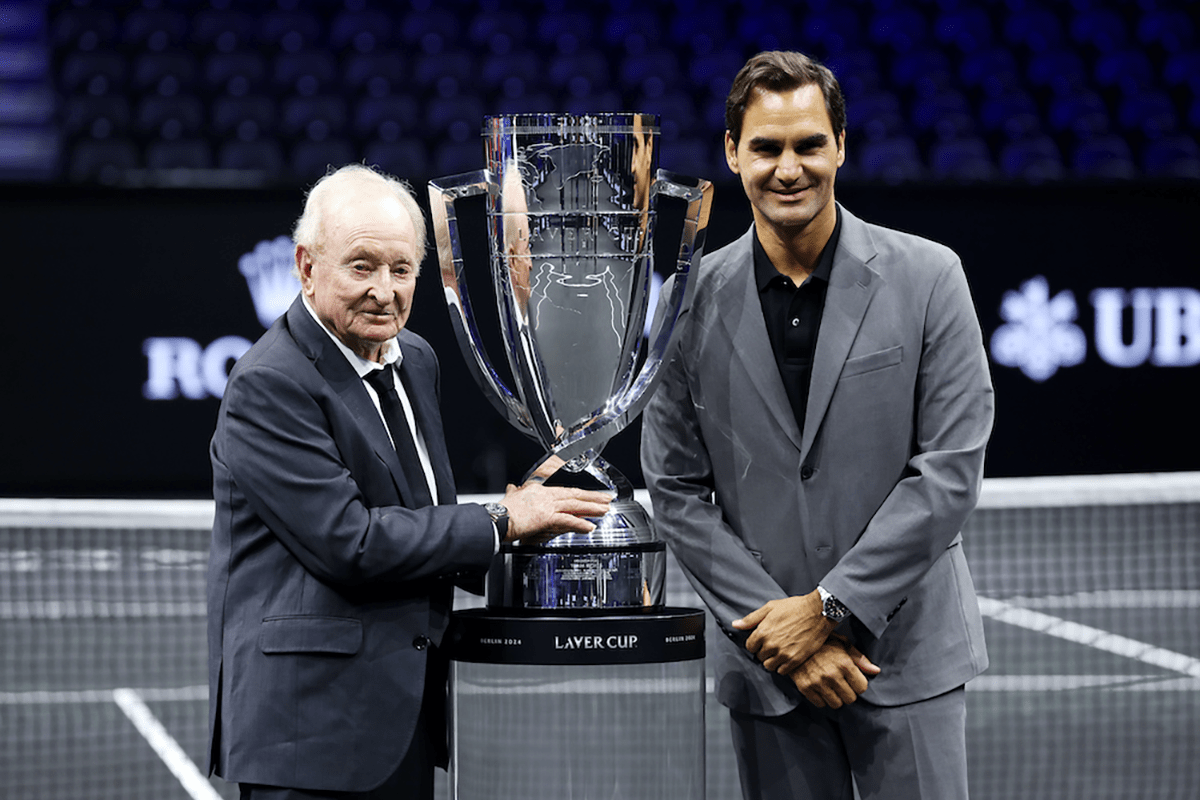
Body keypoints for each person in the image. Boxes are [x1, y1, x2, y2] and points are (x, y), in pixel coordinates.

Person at [640, 51, 994, 800]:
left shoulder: (932, 277)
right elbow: (674, 488)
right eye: (766, 147)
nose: (788, 168)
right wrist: (783, 638)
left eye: (808, 144)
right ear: (733, 154)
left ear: (842, 146)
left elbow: (950, 472)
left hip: (905, 656)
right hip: (768, 665)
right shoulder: (685, 299)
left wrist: (830, 610)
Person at [207, 164, 611, 800]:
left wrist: (536, 539)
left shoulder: (415, 360)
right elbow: (352, 543)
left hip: (403, 718)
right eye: (361, 266)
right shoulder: (270, 383)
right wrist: (502, 523)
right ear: (306, 267)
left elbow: (425, 517)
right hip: (308, 736)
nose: (384, 291)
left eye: (401, 270)